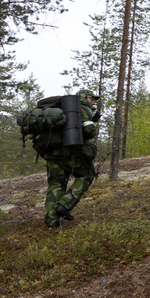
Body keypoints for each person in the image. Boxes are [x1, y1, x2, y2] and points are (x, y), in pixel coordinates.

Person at [44, 89, 100, 227]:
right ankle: (64, 204)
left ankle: (52, 221)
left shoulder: (58, 109)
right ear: (84, 98)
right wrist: (92, 124)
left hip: (51, 154)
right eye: (92, 99)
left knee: (56, 184)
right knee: (87, 176)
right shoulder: (82, 108)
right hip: (70, 154)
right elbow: (88, 131)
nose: (93, 102)